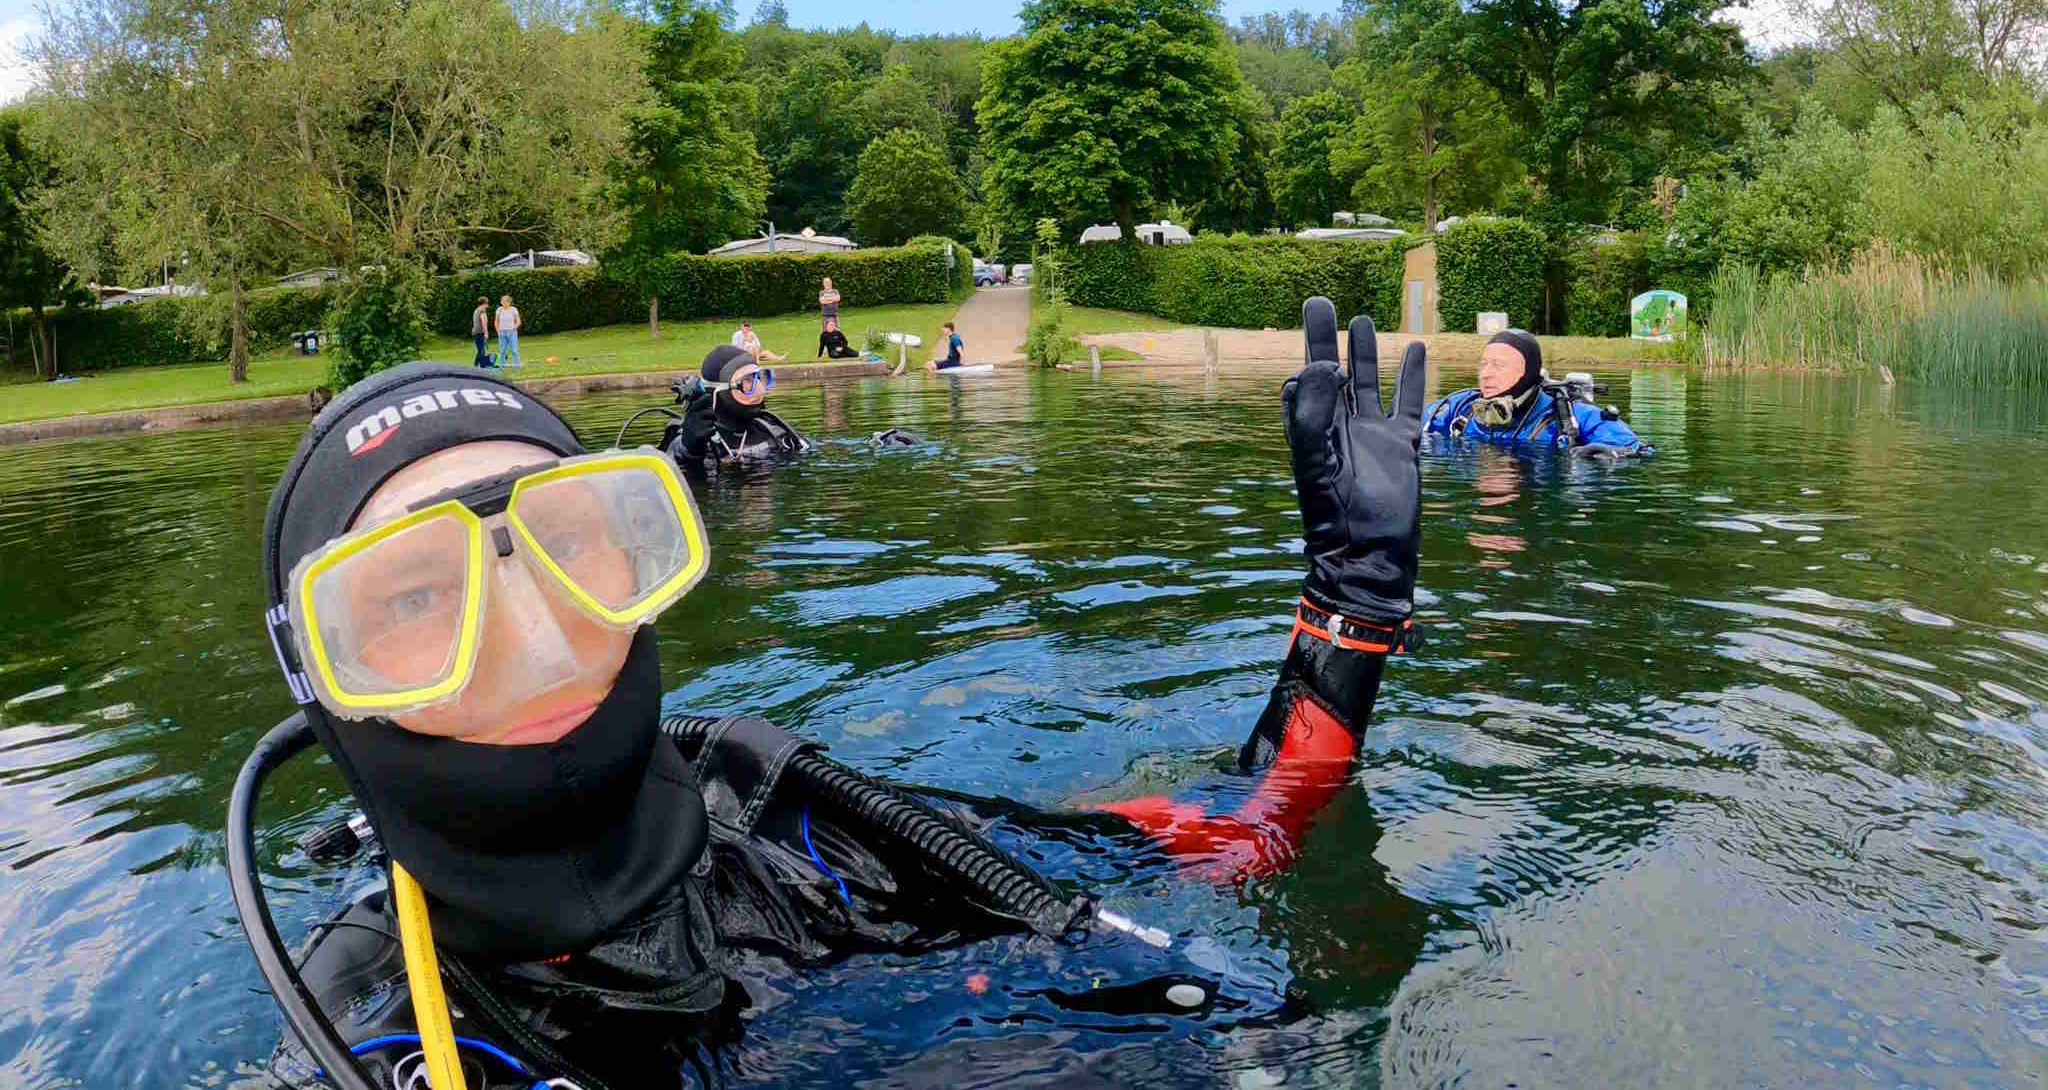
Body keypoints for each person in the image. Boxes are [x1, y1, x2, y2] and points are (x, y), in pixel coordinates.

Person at [248, 298, 1427, 1088]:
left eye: (566, 542)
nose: (529, 630)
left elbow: (1238, 834)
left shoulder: (785, 813)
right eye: (412, 597)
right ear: (325, 676)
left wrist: (1350, 609)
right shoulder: (374, 1030)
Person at [1424, 328, 1644, 454]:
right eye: (1484, 364)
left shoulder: (1567, 414)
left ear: (1528, 372)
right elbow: (1409, 425)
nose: (1486, 374)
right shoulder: (1459, 407)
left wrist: (1602, 453)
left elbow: (1634, 448)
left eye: (1499, 366)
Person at [665, 344, 810, 468]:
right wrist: (688, 451)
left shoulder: (773, 431)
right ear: (719, 391)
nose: (760, 389)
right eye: (747, 381)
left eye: (759, 378)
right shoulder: (692, 439)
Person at [494, 294, 522, 369]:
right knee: (502, 351)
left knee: (514, 350)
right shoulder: (499, 310)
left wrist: (514, 328)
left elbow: (518, 321)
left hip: (511, 332)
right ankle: (501, 366)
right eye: (502, 301)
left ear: (509, 302)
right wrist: (498, 331)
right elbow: (496, 322)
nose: (503, 303)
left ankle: (518, 366)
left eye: (504, 302)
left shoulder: (513, 309)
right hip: (501, 333)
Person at [470, 299, 491, 368]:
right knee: (482, 350)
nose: (488, 305)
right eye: (487, 303)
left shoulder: (476, 310)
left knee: (480, 350)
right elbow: (484, 322)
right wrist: (486, 333)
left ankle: (476, 365)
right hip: (480, 332)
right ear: (484, 303)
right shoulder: (482, 310)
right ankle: (482, 366)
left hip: (475, 332)